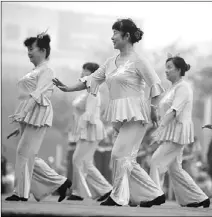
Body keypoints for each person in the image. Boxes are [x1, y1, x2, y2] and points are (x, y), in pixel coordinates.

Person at [53, 18, 165, 207]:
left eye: (115, 33)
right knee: (126, 158)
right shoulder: (110, 62)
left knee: (118, 154)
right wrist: (67, 88)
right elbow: (91, 79)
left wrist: (154, 110)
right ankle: (154, 193)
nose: (112, 37)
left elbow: (156, 85)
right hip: (120, 116)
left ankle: (119, 197)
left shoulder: (139, 61)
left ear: (126, 36)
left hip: (137, 114)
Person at [5, 32, 72, 202]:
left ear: (42, 50)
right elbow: (27, 95)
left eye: (31, 49)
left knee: (24, 153)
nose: (28, 52)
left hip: (38, 113)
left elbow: (36, 95)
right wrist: (19, 122)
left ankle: (21, 193)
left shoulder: (47, 70)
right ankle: (61, 183)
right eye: (27, 49)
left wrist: (23, 113)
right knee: (27, 154)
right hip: (28, 114)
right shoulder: (35, 71)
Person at [149, 55, 210, 208]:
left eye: (169, 67)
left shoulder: (183, 87)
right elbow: (166, 109)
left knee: (156, 161)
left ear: (179, 70)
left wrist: (159, 130)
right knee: (175, 168)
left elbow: (174, 110)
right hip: (171, 131)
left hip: (177, 132)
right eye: (166, 67)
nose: (166, 71)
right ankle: (197, 198)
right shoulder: (174, 87)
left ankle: (153, 195)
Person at [63, 62, 112, 201]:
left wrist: (80, 129)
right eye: (83, 69)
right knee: (84, 162)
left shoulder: (93, 90)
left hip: (90, 128)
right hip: (87, 128)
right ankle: (103, 189)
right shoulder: (88, 89)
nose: (83, 72)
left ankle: (81, 192)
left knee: (78, 160)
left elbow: (89, 113)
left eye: (86, 70)